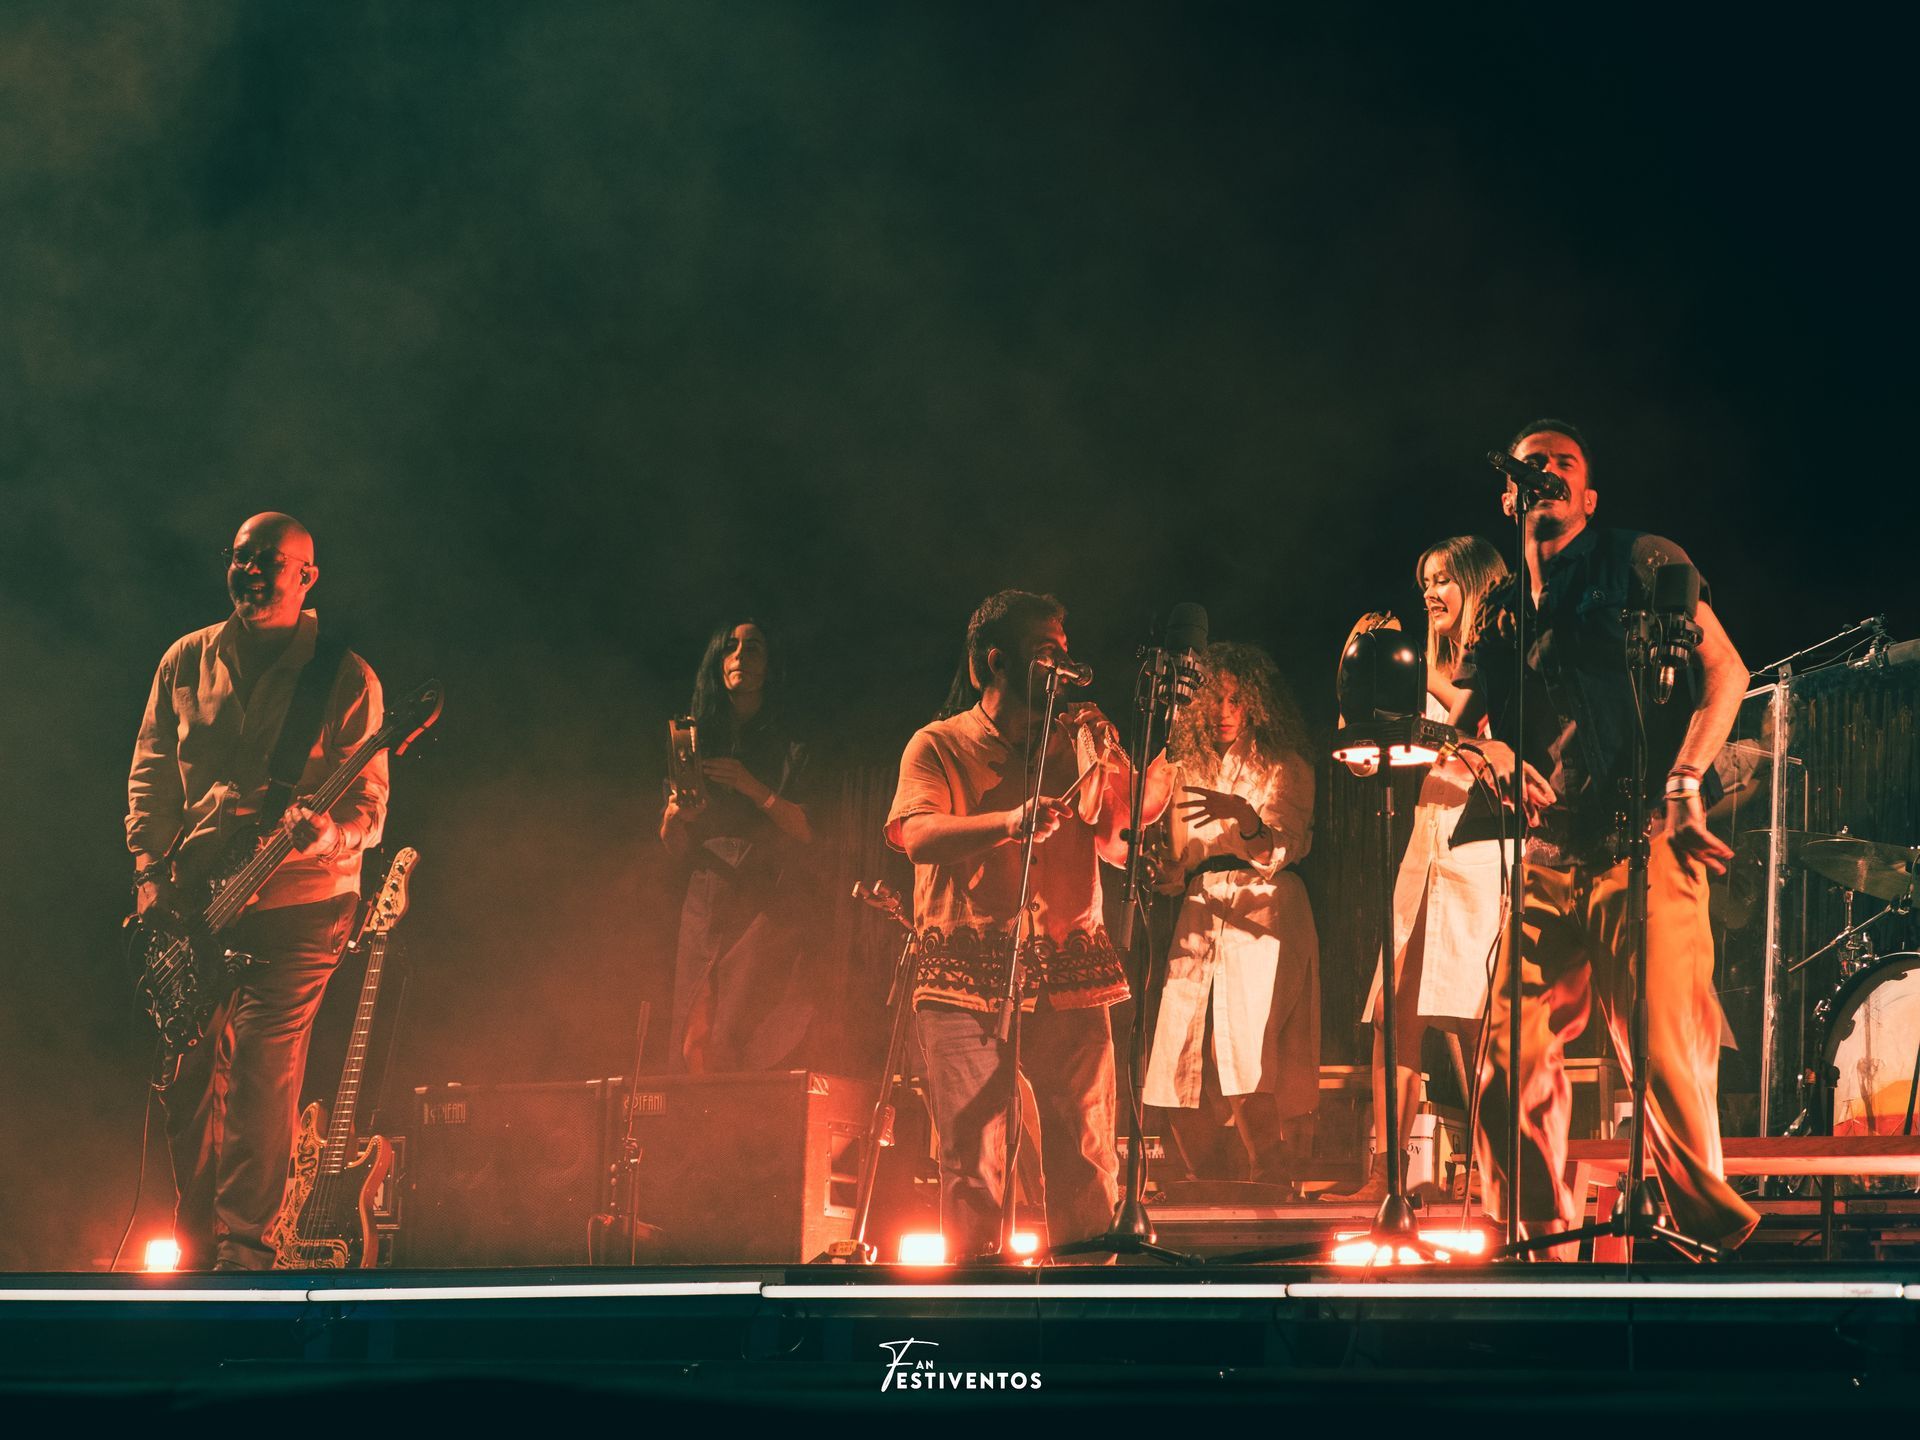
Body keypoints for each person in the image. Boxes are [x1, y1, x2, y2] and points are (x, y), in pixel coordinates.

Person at [1453, 419, 1758, 1251]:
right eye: (1533, 463)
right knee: (1507, 1051)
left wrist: (1687, 779)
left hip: (1644, 840)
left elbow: (1727, 670)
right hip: (1550, 855)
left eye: (1565, 462)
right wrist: (1489, 752)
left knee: (1662, 1050)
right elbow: (1461, 726)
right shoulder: (1501, 609)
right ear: (1509, 494)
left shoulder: (1641, 559)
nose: (1548, 471)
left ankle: (1713, 1240)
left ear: (1587, 496)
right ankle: (1538, 1236)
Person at [127, 512, 388, 1271]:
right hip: (200, 901)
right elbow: (152, 772)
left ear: (307, 578)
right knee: (186, 1081)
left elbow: (369, 808)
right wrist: (148, 874)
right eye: (241, 557)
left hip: (302, 901)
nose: (251, 571)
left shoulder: (345, 677)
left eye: (270, 560)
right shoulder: (185, 659)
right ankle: (196, 1244)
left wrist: (326, 834)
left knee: (260, 1074)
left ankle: (245, 1254)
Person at [885, 589, 1143, 1258]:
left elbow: (1120, 841)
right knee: (973, 1161)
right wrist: (1008, 822)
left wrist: (1107, 762)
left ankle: (1089, 1298)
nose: (1063, 667)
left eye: (1065, 653)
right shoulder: (938, 744)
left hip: (1068, 971)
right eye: (1044, 654)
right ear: (993, 662)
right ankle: (979, 1300)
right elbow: (918, 835)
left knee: (1087, 1149)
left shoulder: (1076, 742)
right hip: (964, 974)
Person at [1339, 537, 1510, 1202]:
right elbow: (1368, 754)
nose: (1431, 594)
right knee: (1395, 1014)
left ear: (1476, 584)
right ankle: (1389, 1179)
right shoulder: (1424, 669)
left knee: (1474, 1019)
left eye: (1444, 580)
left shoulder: (1500, 663)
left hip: (1479, 847)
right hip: (1426, 840)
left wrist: (1413, 673)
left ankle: (1496, 1174)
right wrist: (1361, 671)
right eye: (1426, 584)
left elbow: (1480, 737)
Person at [1141, 642, 1320, 1195]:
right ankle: (1212, 1180)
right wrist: (1164, 870)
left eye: (1235, 700)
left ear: (1255, 704)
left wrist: (1244, 817)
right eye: (1214, 700)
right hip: (1201, 906)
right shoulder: (1184, 766)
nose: (1223, 711)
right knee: (1177, 1048)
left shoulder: (1284, 764)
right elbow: (1180, 864)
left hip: (1265, 906)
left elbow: (1278, 849)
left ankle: (1270, 1172)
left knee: (1244, 1043)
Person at [659, 619, 817, 1072]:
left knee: (740, 1026)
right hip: (706, 890)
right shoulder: (694, 738)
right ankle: (693, 1112)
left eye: (753, 648)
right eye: (730, 647)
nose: (741, 656)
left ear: (769, 666)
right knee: (693, 1028)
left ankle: (743, 1111)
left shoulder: (790, 741)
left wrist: (753, 788)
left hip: (764, 891)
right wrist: (674, 817)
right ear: (717, 661)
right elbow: (672, 846)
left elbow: (807, 829)